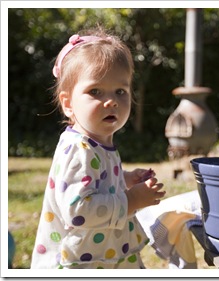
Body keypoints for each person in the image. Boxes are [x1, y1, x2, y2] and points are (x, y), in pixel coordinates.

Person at [30, 28, 166, 269]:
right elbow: (78, 209)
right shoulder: (79, 150)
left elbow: (95, 181)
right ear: (68, 103)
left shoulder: (98, 142)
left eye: (120, 91)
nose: (111, 100)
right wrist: (131, 200)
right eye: (95, 91)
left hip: (100, 254)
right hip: (78, 263)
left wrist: (124, 179)